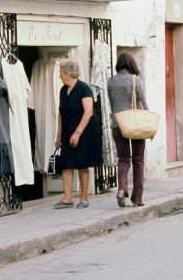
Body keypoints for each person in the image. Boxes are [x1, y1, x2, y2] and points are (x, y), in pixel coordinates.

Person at [54, 60, 97, 209]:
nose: (59, 76)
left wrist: (77, 133)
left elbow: (88, 112)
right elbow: (61, 114)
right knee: (66, 164)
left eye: (60, 73)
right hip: (67, 132)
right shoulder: (62, 90)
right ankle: (67, 198)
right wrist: (58, 135)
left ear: (67, 73)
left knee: (82, 165)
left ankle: (84, 198)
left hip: (83, 132)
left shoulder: (84, 89)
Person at [107, 52, 148, 207]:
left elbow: (111, 103)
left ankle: (121, 189)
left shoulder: (111, 81)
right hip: (135, 123)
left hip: (118, 124)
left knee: (123, 159)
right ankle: (137, 198)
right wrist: (147, 120)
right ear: (132, 64)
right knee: (138, 160)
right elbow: (143, 102)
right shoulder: (135, 80)